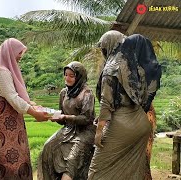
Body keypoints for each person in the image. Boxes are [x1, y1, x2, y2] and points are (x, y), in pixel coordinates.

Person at [88, 30, 162, 180]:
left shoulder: (110, 68)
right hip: (141, 123)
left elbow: (106, 102)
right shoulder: (135, 67)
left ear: (109, 46)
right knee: (131, 172)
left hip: (122, 124)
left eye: (103, 48)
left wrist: (99, 131)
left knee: (97, 170)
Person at [0, 38, 51, 180]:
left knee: (19, 154)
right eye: (18, 54)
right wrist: (34, 112)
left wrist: (31, 105)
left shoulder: (5, 70)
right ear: (10, 52)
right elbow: (12, 98)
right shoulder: (2, 71)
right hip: (5, 119)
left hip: (12, 117)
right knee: (9, 159)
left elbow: (14, 97)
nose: (20, 57)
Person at [37, 61, 96, 180]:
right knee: (47, 148)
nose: (67, 78)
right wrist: (53, 116)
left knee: (73, 159)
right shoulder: (64, 93)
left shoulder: (87, 93)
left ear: (79, 77)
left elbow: (87, 119)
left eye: (71, 75)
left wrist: (65, 117)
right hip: (68, 129)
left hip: (85, 131)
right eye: (66, 74)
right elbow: (62, 117)